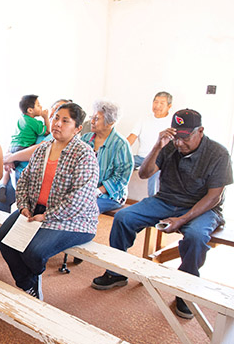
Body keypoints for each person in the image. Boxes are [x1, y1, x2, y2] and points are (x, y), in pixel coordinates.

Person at [92, 109, 232, 319]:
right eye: (176, 137)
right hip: (165, 200)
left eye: (185, 138)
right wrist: (158, 145)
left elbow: (214, 197)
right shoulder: (169, 145)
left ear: (200, 131)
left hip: (201, 207)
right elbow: (144, 173)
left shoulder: (218, 153)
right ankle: (117, 272)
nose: (179, 143)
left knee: (195, 236)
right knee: (124, 218)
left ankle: (186, 290)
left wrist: (183, 220)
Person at [0, 103, 99, 299]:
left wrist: (47, 216)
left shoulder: (84, 154)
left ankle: (31, 287)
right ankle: (29, 286)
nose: (57, 124)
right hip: (38, 210)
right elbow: (25, 178)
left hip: (74, 219)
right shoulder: (43, 148)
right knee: (4, 237)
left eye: (65, 120)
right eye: (56, 118)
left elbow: (80, 197)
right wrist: (24, 205)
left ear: (78, 128)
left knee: (34, 252)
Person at [0, 98, 70, 212]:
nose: (56, 111)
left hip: (32, 177)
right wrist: (9, 156)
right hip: (17, 170)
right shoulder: (36, 124)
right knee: (1, 199)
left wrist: (11, 157)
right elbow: (18, 140)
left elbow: (38, 150)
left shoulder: (56, 134)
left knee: (15, 205)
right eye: (55, 108)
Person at [81, 99, 133, 213]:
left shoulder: (120, 144)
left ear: (110, 122)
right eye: (92, 117)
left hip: (110, 195)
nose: (92, 121)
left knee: (85, 208)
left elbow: (121, 177)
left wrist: (98, 191)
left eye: (97, 118)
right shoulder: (85, 139)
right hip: (85, 191)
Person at [127, 91, 173, 196]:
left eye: (162, 103)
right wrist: (118, 152)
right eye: (155, 102)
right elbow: (132, 137)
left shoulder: (171, 122)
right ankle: (114, 194)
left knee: (155, 172)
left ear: (169, 106)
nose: (157, 106)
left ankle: (153, 200)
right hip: (140, 158)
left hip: (159, 160)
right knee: (121, 163)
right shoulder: (144, 119)